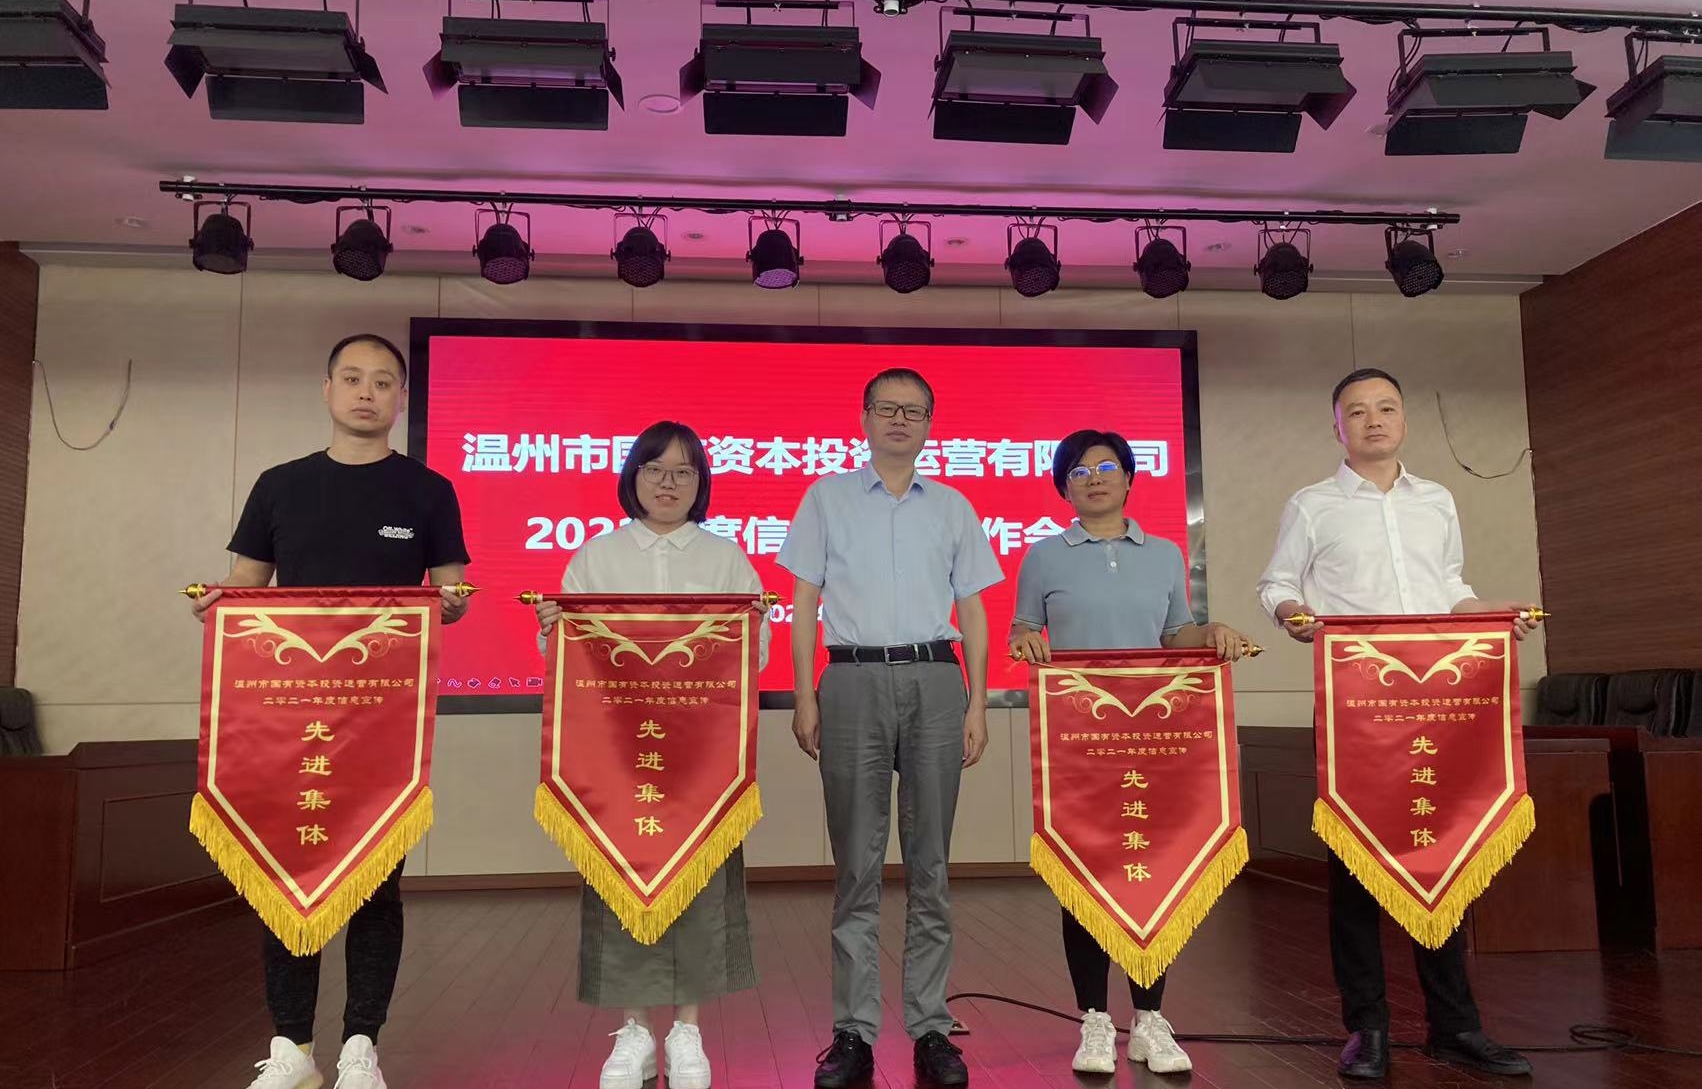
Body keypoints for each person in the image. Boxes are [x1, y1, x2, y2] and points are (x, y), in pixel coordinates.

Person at [190, 334, 472, 1089]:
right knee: (284, 872)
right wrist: (216, 605)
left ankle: (360, 1047)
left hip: (383, 722)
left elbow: (453, 591)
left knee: (377, 882)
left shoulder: (428, 490)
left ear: (401, 399)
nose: (366, 392)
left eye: (382, 381)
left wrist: (451, 602)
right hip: (290, 718)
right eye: (352, 378)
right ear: (327, 390)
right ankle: (292, 1047)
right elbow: (244, 586)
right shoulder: (280, 485)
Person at [1255, 367, 1541, 1081]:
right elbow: (1277, 583)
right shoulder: (1313, 504)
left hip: (1437, 707)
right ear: (1338, 427)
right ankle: (1368, 1027)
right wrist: (1293, 614)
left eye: (1386, 408)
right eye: (1357, 411)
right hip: (1356, 706)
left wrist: (1491, 615)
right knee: (1355, 867)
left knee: (1440, 854)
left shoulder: (1436, 500)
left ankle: (1456, 1024)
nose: (1374, 419)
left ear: (1404, 420)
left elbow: (1450, 589)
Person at [778, 369, 1002, 1089]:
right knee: (857, 864)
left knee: (931, 863)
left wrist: (977, 702)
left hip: (937, 679)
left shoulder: (954, 506)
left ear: (931, 424)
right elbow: (803, 600)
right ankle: (854, 1030)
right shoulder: (826, 497)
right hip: (851, 680)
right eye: (887, 408)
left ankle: (932, 1025)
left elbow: (973, 609)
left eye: (914, 411)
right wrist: (805, 695)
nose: (900, 419)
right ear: (865, 418)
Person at [532, 421, 770, 1089]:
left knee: (699, 885)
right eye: (655, 468)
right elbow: (565, 660)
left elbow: (753, 655)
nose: (669, 482)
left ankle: (687, 1029)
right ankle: (634, 1030)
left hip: (702, 760)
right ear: (632, 476)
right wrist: (553, 629)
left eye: (684, 471)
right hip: (618, 756)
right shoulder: (596, 556)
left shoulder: (726, 559)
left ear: (701, 484)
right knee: (621, 881)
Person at [1009, 428, 1251, 1077]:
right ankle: (1094, 1019)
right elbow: (1024, 628)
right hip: (1079, 741)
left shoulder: (1165, 554)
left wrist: (1212, 632)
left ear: (1129, 477)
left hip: (1152, 739)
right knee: (1082, 874)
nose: (1094, 477)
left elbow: (1176, 636)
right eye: (1079, 470)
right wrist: (1025, 640)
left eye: (1107, 466)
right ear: (1063, 486)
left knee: (1153, 868)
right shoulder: (1043, 556)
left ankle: (1149, 1018)